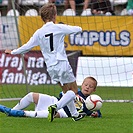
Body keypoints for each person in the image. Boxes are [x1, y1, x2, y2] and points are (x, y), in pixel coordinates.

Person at [5, 3, 83, 122]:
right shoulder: (58, 27)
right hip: (61, 62)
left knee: (65, 91)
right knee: (73, 90)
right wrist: (64, 27)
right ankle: (55, 107)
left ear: (41, 17)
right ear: (54, 15)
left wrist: (13, 52)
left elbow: (27, 47)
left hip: (51, 66)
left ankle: (75, 114)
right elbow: (78, 29)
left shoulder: (39, 32)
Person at [0, 76, 102, 118]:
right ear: (82, 85)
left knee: (53, 113)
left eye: (91, 86)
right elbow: (61, 95)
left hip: (64, 112)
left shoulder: (92, 102)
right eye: (86, 85)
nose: (87, 87)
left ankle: (21, 113)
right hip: (56, 101)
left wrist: (96, 114)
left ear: (94, 90)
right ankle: (12, 111)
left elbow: (96, 112)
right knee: (32, 95)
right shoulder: (75, 92)